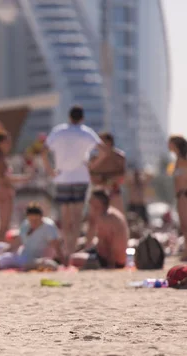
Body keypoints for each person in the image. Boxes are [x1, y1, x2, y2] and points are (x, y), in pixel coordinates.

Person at [41, 105, 102, 258]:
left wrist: (50, 171)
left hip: (62, 179)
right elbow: (104, 150)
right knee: (77, 218)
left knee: (65, 218)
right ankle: (72, 252)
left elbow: (43, 151)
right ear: (82, 118)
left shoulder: (59, 131)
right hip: (81, 178)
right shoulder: (86, 132)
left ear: (69, 117)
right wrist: (92, 165)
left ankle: (67, 251)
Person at [0, 132, 34, 242]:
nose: (9, 144)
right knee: (4, 226)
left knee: (6, 225)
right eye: (6, 142)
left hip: (6, 191)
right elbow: (4, 178)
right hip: (4, 191)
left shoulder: (2, 158)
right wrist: (24, 178)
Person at [69, 190, 129, 269]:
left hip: (112, 261)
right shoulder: (108, 213)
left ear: (99, 203)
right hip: (107, 257)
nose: (89, 202)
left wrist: (110, 267)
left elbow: (108, 247)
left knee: (73, 259)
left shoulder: (106, 219)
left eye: (92, 201)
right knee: (80, 252)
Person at [169, 135, 187, 261]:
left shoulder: (186, 163)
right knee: (183, 225)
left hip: (185, 195)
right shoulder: (177, 162)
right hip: (179, 196)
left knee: (186, 225)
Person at [88, 132, 126, 213]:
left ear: (109, 143)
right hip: (98, 192)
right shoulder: (94, 158)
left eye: (101, 142)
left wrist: (108, 181)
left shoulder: (119, 157)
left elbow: (122, 176)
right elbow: (91, 175)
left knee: (117, 213)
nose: (98, 144)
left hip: (113, 190)